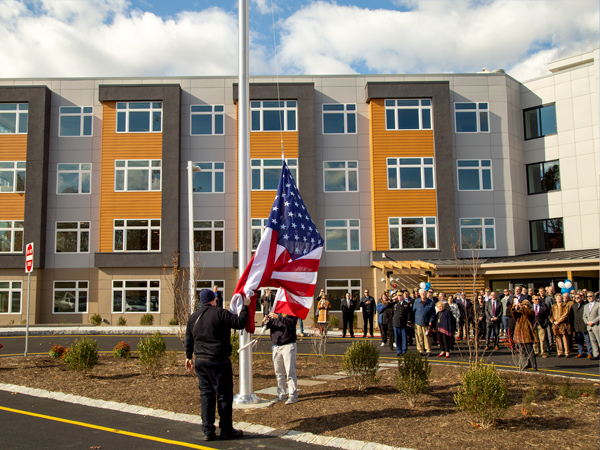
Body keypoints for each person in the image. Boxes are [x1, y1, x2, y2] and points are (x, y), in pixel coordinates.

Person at [184, 289, 249, 441]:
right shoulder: (220, 313)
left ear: (201, 301)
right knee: (224, 396)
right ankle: (226, 429)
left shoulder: (194, 317)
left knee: (206, 395)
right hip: (218, 360)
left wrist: (188, 356)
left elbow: (189, 339)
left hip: (200, 361)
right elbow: (239, 323)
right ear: (214, 300)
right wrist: (245, 306)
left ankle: (208, 430)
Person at [263, 310, 298, 404]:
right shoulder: (274, 311)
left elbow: (291, 322)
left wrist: (278, 317)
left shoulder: (291, 311)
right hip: (276, 346)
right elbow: (267, 326)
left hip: (288, 345)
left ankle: (293, 395)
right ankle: (281, 394)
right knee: (279, 373)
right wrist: (266, 321)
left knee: (290, 372)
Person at [511, 299, 538, 371]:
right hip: (520, 333)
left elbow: (528, 314)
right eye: (523, 305)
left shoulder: (531, 312)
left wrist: (521, 307)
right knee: (523, 351)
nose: (523, 306)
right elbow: (515, 315)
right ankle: (527, 363)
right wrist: (513, 308)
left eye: (525, 305)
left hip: (527, 333)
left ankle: (534, 364)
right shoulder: (521, 312)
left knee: (530, 350)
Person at [412, 290, 435, 355]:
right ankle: (420, 351)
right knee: (419, 337)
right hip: (418, 322)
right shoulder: (416, 302)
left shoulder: (430, 302)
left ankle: (428, 350)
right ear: (419, 294)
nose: (423, 295)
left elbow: (433, 313)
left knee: (427, 337)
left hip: (427, 322)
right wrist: (413, 321)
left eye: (424, 293)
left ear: (426, 294)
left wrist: (431, 321)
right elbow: (413, 312)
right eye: (422, 293)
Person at [571, 293, 592, 358]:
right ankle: (581, 352)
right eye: (575, 298)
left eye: (578, 297)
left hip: (584, 325)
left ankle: (589, 353)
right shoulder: (573, 306)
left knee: (588, 340)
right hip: (576, 326)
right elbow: (572, 317)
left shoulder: (585, 305)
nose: (577, 299)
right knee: (579, 341)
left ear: (581, 298)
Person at [551, 293, 572, 357]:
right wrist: (554, 321)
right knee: (557, 338)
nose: (558, 299)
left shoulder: (565, 305)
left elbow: (566, 314)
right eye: (557, 298)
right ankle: (559, 352)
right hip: (555, 324)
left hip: (563, 324)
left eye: (559, 298)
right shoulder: (553, 306)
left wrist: (559, 321)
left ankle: (567, 352)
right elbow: (551, 315)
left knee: (565, 337)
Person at [583, 292, 600, 360]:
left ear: (594, 296)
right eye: (587, 296)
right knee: (593, 341)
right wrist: (587, 322)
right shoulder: (586, 306)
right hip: (589, 326)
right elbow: (584, 316)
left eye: (590, 296)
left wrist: (593, 322)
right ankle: (596, 355)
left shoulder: (598, 305)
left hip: (597, 325)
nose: (589, 298)